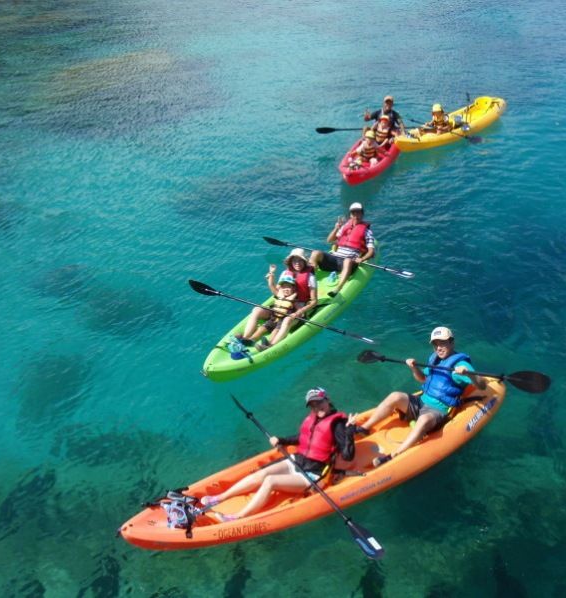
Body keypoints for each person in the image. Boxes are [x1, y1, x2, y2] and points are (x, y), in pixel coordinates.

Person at [200, 388, 357, 521]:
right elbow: (303, 438)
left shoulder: (338, 425)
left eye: (320, 403)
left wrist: (349, 433)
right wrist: (282, 440)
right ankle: (219, 498)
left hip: (312, 475)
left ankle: (237, 517)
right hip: (298, 461)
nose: (317, 408)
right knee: (262, 473)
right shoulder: (314, 418)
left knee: (270, 481)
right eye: (313, 405)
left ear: (327, 400)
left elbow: (348, 455)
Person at [355, 326, 486, 467]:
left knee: (423, 419)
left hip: (437, 411)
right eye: (435, 344)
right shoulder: (435, 359)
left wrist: (469, 374)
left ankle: (394, 455)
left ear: (451, 342)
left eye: (442, 343)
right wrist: (413, 368)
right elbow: (422, 378)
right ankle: (364, 428)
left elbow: (482, 386)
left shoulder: (461, 364)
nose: (438, 348)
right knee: (395, 396)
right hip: (421, 402)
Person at [238, 249, 318, 349]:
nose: (297, 263)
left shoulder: (310, 277)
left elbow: (314, 301)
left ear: (304, 262)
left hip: (298, 308)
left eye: (300, 260)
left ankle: (271, 345)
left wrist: (298, 312)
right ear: (290, 262)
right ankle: (247, 338)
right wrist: (270, 281)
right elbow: (277, 292)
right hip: (281, 307)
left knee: (287, 319)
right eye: (294, 260)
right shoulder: (285, 273)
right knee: (256, 310)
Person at [308, 202, 376, 298]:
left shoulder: (367, 231)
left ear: (362, 214)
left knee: (347, 260)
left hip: (348, 262)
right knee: (316, 253)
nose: (356, 215)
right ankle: (309, 278)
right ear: (350, 215)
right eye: (353, 213)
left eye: (358, 213)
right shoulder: (345, 226)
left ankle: (338, 288)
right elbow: (329, 240)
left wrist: (362, 259)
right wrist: (336, 228)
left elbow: (371, 251)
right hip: (335, 258)